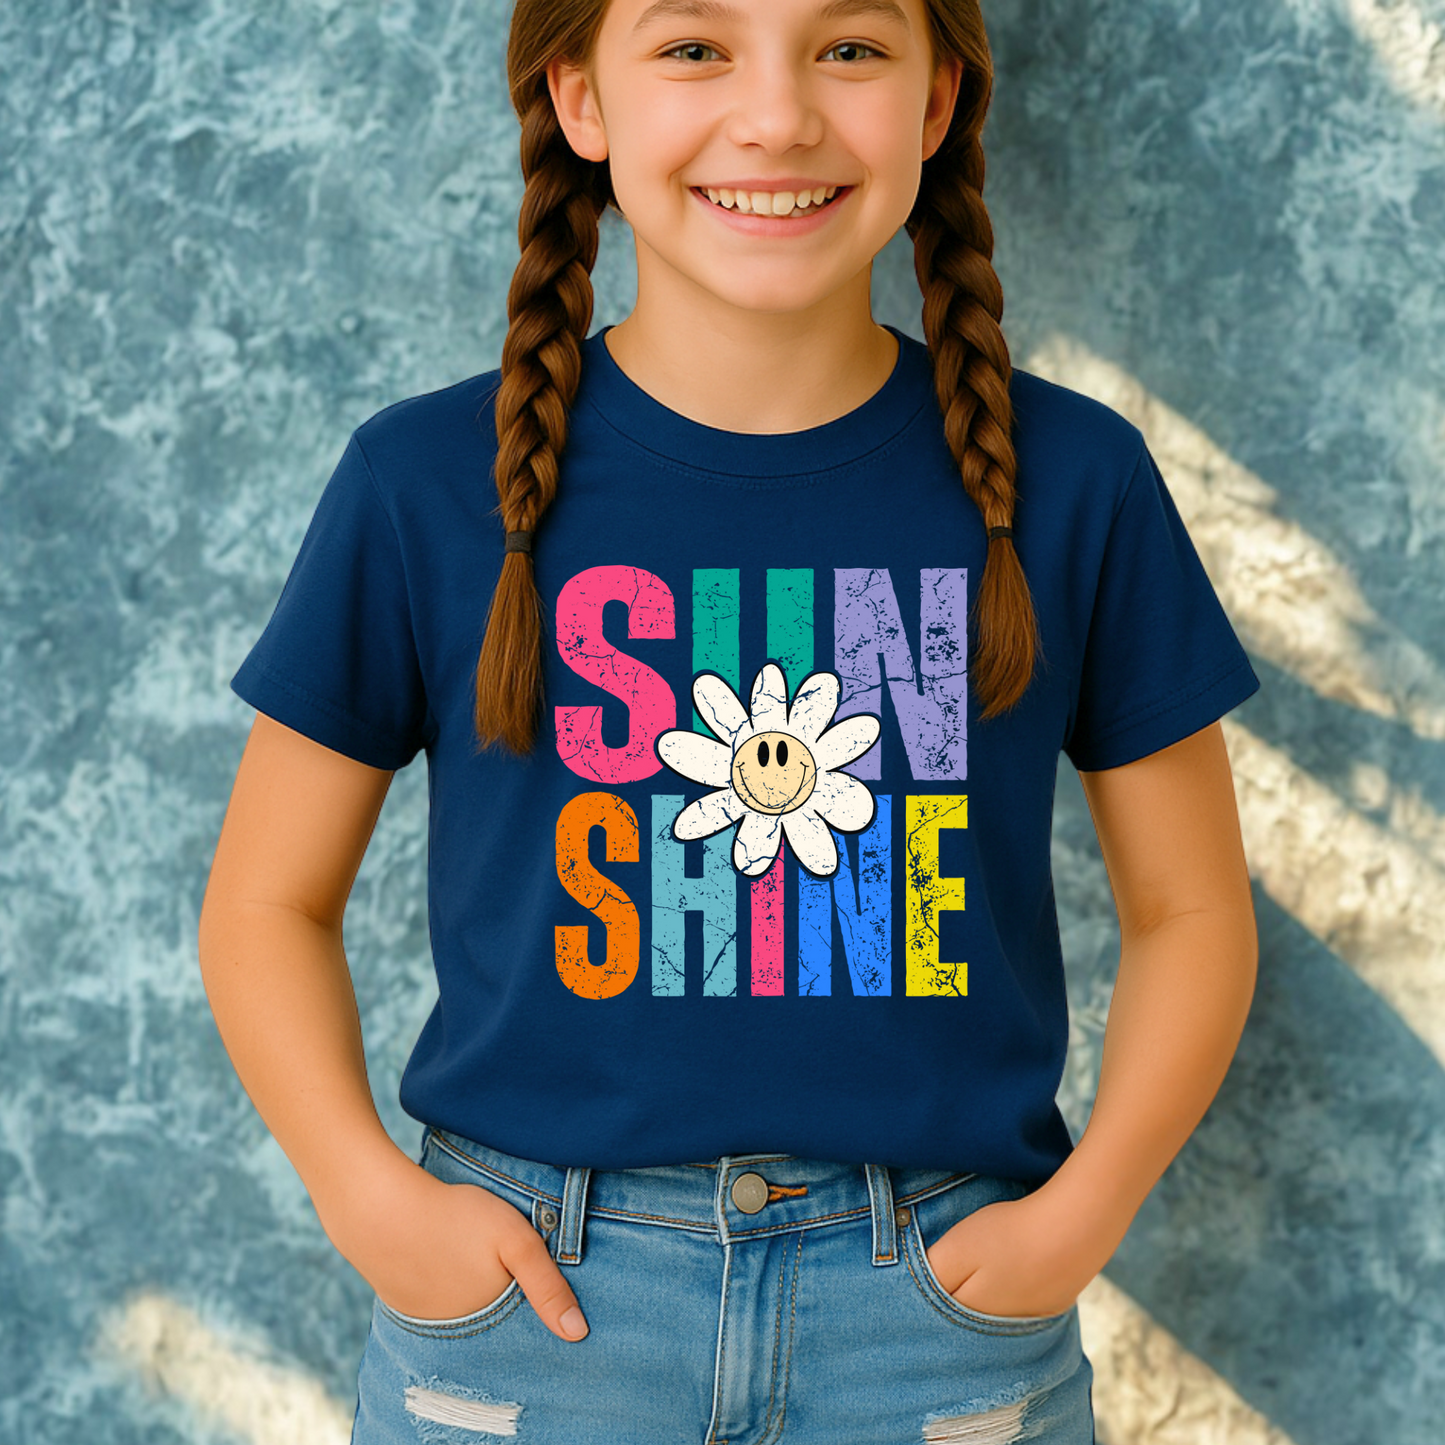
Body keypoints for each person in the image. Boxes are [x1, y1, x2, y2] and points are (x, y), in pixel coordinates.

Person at [198, 1, 1261, 1441]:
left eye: (848, 48)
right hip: (537, 1320)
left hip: (935, 1328)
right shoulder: (419, 483)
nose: (776, 116)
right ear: (581, 98)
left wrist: (1079, 1220)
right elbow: (264, 898)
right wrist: (369, 1197)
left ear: (938, 100)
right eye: (695, 48)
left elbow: (1195, 908)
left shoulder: (1077, 481)